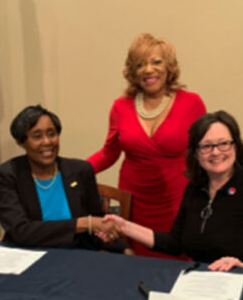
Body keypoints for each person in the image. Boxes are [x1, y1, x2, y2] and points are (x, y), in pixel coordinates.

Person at [103, 111, 243, 271]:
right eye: (206, 146)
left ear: (236, 147)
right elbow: (175, 243)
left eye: (224, 144)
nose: (216, 152)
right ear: (196, 154)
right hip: (205, 284)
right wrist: (125, 227)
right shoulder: (195, 189)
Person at [88, 33, 206, 258]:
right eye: (140, 64)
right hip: (134, 203)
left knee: (177, 264)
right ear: (132, 71)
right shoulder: (120, 106)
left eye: (156, 62)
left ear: (169, 67)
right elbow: (108, 155)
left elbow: (206, 153)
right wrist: (69, 172)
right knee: (137, 265)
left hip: (179, 202)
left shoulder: (191, 103)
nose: (148, 70)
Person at [0, 105, 127, 252]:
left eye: (52, 134)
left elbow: (97, 223)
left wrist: (123, 248)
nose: (47, 142)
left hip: (76, 255)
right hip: (28, 257)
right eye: (37, 136)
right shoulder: (6, 176)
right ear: (21, 142)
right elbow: (21, 232)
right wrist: (82, 223)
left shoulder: (81, 170)